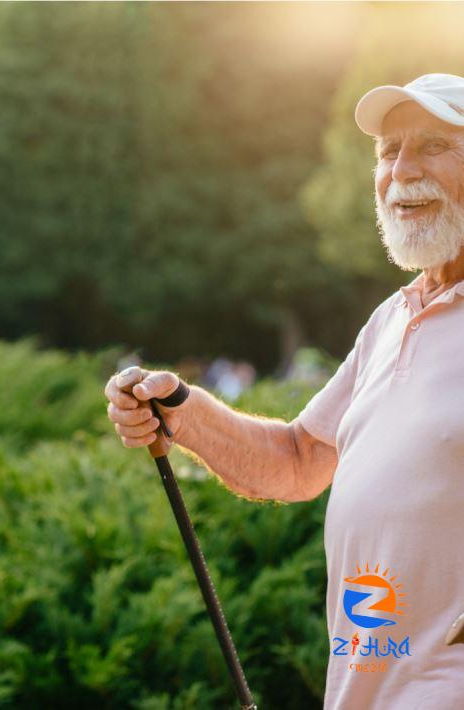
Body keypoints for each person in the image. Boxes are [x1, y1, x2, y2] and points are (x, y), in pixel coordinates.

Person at [105, 73, 464, 708]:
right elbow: (298, 461)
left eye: (433, 145)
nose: (401, 170)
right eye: (387, 152)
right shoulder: (392, 318)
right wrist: (182, 412)